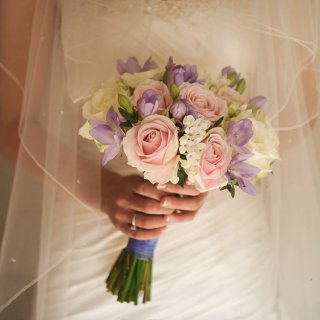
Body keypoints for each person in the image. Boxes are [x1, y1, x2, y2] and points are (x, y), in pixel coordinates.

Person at [1, 0, 320, 319]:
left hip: (221, 252)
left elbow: (304, 108)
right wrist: (101, 189)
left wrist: (215, 164)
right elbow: (9, 123)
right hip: (88, 238)